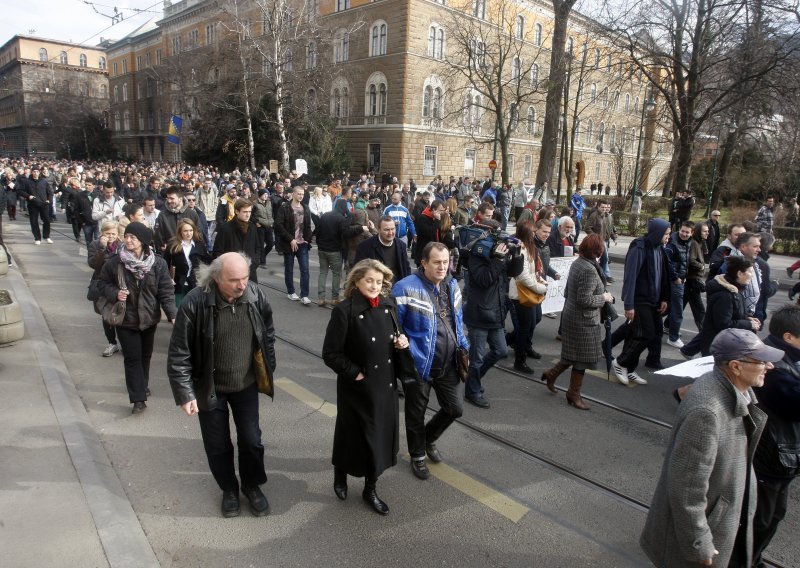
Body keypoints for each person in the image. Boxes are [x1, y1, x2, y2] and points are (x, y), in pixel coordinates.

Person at [640, 328, 780, 568]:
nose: (770, 366)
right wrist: (699, 542)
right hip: (702, 538)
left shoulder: (733, 392)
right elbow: (687, 488)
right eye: (761, 361)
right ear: (736, 366)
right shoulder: (707, 412)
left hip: (719, 521)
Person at [167, 252, 276, 518]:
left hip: (245, 383)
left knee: (252, 441)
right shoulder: (195, 302)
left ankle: (251, 485)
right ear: (216, 278)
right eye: (235, 280)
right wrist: (185, 393)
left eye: (245, 277)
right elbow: (179, 352)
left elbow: (267, 333)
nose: (242, 285)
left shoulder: (255, 296)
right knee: (217, 445)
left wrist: (268, 368)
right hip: (210, 387)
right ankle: (229, 489)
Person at [322, 259, 406, 515]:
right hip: (356, 389)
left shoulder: (389, 306)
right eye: (369, 280)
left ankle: (371, 488)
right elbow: (331, 353)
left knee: (378, 439)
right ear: (356, 280)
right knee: (351, 437)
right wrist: (354, 373)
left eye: (379, 282)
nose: (374, 286)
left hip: (384, 387)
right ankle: (340, 475)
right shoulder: (344, 311)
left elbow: (393, 337)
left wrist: (401, 342)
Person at [392, 242, 470, 480]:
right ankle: (417, 456)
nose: (442, 267)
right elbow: (395, 326)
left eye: (446, 262)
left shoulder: (453, 284)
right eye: (437, 262)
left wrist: (464, 346)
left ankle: (427, 439)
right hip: (419, 365)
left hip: (448, 363)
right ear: (423, 262)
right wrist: (402, 350)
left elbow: (457, 318)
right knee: (416, 414)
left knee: (454, 409)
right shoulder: (404, 288)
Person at [96, 222, 177, 414]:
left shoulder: (158, 263)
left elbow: (165, 290)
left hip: (149, 318)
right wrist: (115, 293)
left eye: (133, 237)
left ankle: (143, 385)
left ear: (143, 241)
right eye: (127, 236)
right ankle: (138, 399)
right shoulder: (116, 262)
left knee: (145, 356)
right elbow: (101, 284)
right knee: (132, 358)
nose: (129, 240)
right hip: (126, 319)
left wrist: (172, 314)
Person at [751, 305, 800, 567]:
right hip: (771, 457)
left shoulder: (785, 357)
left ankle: (753, 558)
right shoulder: (776, 368)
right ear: (789, 338)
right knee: (761, 519)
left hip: (782, 456)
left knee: (773, 516)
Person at [540, 234, 613, 409]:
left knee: (574, 354)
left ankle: (551, 374)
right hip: (583, 320)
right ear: (597, 251)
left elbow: (568, 292)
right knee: (583, 359)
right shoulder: (588, 268)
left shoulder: (578, 262)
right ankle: (573, 394)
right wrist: (603, 297)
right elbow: (584, 299)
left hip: (573, 316)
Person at [463, 219, 523, 408]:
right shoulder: (476, 254)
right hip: (479, 313)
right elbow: (483, 279)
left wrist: (517, 254)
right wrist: (497, 259)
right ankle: (472, 391)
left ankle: (474, 379)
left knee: (500, 350)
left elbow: (512, 273)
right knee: (477, 357)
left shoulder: (498, 253)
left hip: (495, 311)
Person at [611, 218, 671, 386]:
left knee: (635, 334)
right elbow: (630, 277)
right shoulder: (639, 247)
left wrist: (664, 298)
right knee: (647, 334)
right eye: (666, 234)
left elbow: (662, 276)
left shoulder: (659, 249)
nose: (668, 237)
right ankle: (621, 362)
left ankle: (629, 369)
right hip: (639, 299)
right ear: (657, 233)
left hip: (653, 300)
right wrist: (628, 304)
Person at [682, 256, 761, 359]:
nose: (752, 276)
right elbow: (723, 324)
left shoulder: (736, 289)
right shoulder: (725, 296)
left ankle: (688, 351)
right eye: (750, 272)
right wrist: (748, 324)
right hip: (717, 347)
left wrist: (747, 318)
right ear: (739, 274)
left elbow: (735, 313)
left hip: (723, 344)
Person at [508, 221, 549, 374]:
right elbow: (522, 276)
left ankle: (516, 343)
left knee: (532, 321)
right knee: (525, 326)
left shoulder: (529, 247)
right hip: (521, 294)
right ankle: (520, 359)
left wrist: (541, 281)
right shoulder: (520, 249)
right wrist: (540, 287)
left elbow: (533, 271)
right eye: (532, 232)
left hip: (529, 291)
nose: (534, 234)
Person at [316, 200, 370, 306]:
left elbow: (317, 231)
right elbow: (347, 233)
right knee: (336, 274)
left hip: (322, 249)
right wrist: (360, 228)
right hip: (334, 250)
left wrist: (319, 244)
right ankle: (334, 298)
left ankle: (321, 298)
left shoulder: (325, 215)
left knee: (323, 273)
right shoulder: (341, 219)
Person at [88, 220, 124, 357]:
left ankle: (123, 343)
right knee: (106, 315)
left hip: (119, 284)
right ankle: (112, 342)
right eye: (107, 233)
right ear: (102, 233)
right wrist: (102, 249)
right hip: (102, 284)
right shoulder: (95, 245)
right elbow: (94, 265)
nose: (111, 236)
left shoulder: (122, 245)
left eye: (113, 233)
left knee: (122, 314)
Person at [274, 184, 313, 304]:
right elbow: (278, 225)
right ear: (293, 194)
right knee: (289, 269)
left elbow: (308, 225)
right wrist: (291, 239)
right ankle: (291, 292)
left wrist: (308, 239)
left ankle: (304, 295)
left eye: (302, 194)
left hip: (302, 243)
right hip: (288, 243)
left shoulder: (305, 208)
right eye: (299, 194)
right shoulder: (285, 207)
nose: (301, 196)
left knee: (305, 269)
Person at [163, 218, 210, 308]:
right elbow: (165, 263)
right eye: (185, 231)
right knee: (178, 309)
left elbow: (207, 261)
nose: (188, 233)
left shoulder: (199, 244)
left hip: (195, 282)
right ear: (180, 232)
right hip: (178, 283)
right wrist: (168, 278)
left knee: (193, 309)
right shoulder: (173, 245)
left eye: (191, 230)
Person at [213, 198, 262, 283]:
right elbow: (217, 252)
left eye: (249, 212)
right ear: (237, 211)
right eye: (245, 212)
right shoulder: (225, 229)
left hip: (250, 273)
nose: (248, 215)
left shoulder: (252, 227)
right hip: (231, 275)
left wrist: (254, 264)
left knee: (252, 295)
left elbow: (257, 247)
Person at [354, 215, 412, 283]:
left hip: (397, 288)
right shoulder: (364, 247)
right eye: (386, 230)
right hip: (375, 289)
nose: (390, 233)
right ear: (379, 230)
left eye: (392, 229)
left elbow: (406, 268)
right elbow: (359, 273)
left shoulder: (401, 245)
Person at [663, 221, 694, 348]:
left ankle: (668, 327)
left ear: (692, 233)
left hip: (680, 279)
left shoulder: (688, 242)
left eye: (687, 232)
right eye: (683, 231)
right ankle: (673, 337)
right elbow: (668, 263)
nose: (684, 234)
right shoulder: (672, 243)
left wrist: (684, 276)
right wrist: (676, 278)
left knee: (669, 307)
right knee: (677, 309)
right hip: (675, 281)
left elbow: (684, 262)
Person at [154, 186, 202, 252]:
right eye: (167, 198)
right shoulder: (162, 215)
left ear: (180, 198)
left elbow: (198, 233)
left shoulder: (192, 214)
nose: (169, 201)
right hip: (170, 253)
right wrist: (162, 247)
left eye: (172, 198)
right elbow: (159, 235)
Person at [19, 165, 53, 245]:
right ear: (32, 172)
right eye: (34, 171)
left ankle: (47, 236)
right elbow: (20, 190)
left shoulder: (44, 181)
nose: (36, 173)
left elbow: (50, 193)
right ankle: (37, 238)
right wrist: (28, 196)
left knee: (47, 221)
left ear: (39, 172)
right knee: (34, 221)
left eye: (37, 171)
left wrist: (49, 200)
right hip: (32, 204)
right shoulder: (26, 181)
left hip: (44, 204)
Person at [251, 189, 274, 266]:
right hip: (260, 227)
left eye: (267, 195)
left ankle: (261, 256)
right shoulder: (255, 204)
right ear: (260, 195)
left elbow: (272, 213)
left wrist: (272, 222)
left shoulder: (269, 203)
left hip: (269, 226)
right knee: (261, 245)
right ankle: (263, 262)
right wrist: (256, 222)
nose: (266, 196)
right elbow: (251, 216)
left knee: (270, 244)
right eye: (264, 194)